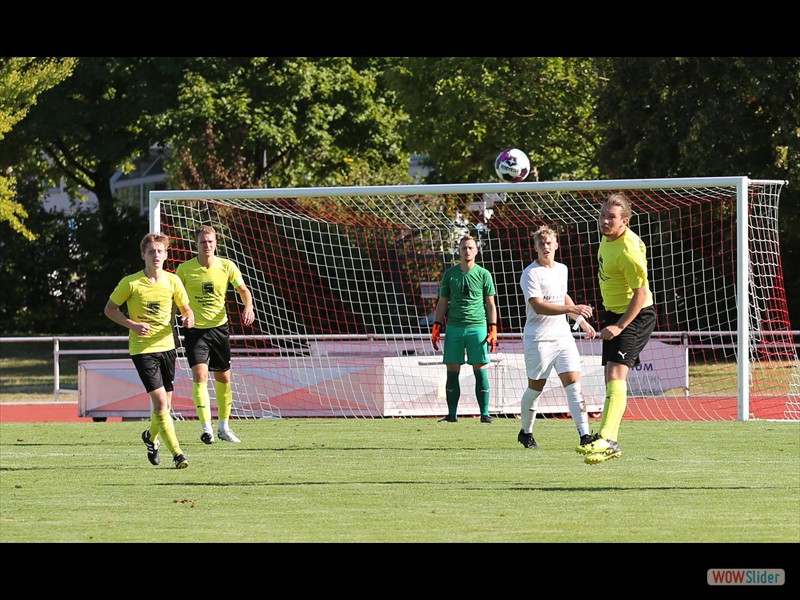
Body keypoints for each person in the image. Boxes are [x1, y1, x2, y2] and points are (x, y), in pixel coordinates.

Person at [577, 192, 656, 464]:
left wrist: (621, 326)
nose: (604, 221)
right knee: (610, 378)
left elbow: (641, 294)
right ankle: (610, 441)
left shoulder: (627, 250)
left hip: (635, 315)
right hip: (614, 313)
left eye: (611, 217)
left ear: (625, 221)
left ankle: (606, 438)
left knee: (615, 375)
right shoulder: (607, 237)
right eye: (602, 215)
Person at [104, 233, 195, 469]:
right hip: (143, 349)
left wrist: (188, 318)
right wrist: (132, 325)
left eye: (160, 251)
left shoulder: (173, 281)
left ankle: (150, 437)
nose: (156, 255)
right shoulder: (130, 283)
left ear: (166, 255)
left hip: (168, 347)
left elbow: (187, 310)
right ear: (143, 255)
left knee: (165, 406)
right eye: (151, 251)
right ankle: (178, 454)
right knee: (161, 403)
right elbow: (110, 309)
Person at [517, 225, 597, 450]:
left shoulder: (562, 269)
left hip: (563, 338)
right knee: (535, 388)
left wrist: (580, 320)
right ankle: (526, 432)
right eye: (541, 244)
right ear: (535, 247)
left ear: (556, 245)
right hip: (539, 339)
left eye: (549, 243)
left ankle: (585, 435)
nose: (545, 247)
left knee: (574, 385)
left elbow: (563, 296)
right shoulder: (531, 273)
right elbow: (538, 306)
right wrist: (571, 309)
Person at [177, 225, 255, 445]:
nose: (207, 245)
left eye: (210, 241)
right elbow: (175, 295)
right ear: (196, 244)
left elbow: (243, 290)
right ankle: (207, 429)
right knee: (200, 376)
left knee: (223, 378)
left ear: (216, 243)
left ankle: (224, 427)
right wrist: (182, 315)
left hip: (219, 329)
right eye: (203, 241)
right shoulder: (184, 269)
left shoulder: (227, 266)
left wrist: (248, 306)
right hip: (195, 331)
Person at [431, 234, 498, 423]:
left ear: (476, 251)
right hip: (454, 328)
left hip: (478, 328)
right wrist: (436, 325)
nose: (467, 251)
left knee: (480, 368)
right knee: (452, 369)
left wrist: (493, 328)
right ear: (459, 251)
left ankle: (484, 414)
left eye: (470, 247)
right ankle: (452, 415)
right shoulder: (450, 274)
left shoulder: (484, 274)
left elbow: (490, 304)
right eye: (463, 248)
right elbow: (442, 302)